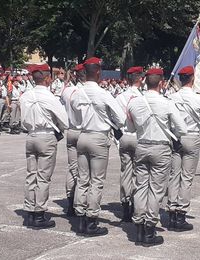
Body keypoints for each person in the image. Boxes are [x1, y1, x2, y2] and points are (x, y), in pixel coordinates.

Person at [126, 68, 187, 245]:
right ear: (161, 83)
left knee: (140, 187)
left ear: (145, 81)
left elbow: (129, 128)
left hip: (142, 146)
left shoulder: (134, 102)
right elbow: (182, 128)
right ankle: (149, 229)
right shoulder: (166, 103)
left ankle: (138, 226)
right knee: (156, 189)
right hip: (161, 148)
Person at [71, 57, 126, 236]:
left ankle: (79, 218)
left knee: (82, 179)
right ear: (98, 73)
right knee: (96, 181)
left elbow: (74, 118)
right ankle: (91, 220)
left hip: (83, 135)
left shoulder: (77, 93)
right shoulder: (103, 94)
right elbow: (121, 117)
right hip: (98, 137)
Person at [167, 66, 200, 231]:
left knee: (174, 175)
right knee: (187, 177)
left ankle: (171, 210)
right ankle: (181, 214)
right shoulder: (197, 99)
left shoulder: (171, 97)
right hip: (191, 137)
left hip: (175, 137)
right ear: (192, 78)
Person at [20, 64, 68, 229]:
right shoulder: (50, 97)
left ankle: (29, 211)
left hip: (31, 135)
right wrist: (59, 128)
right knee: (43, 177)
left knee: (30, 175)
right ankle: (39, 213)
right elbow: (65, 120)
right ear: (47, 78)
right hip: (46, 136)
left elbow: (23, 120)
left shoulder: (25, 96)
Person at [115, 66, 144, 222]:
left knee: (126, 172)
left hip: (125, 136)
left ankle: (125, 206)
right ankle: (136, 205)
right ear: (139, 79)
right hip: (138, 137)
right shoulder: (142, 97)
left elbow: (115, 118)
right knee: (139, 173)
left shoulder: (120, 97)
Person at [60, 63, 85, 217]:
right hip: (83, 131)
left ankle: (70, 203)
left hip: (71, 130)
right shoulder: (85, 91)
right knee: (85, 170)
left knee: (72, 168)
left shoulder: (67, 91)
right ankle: (80, 204)